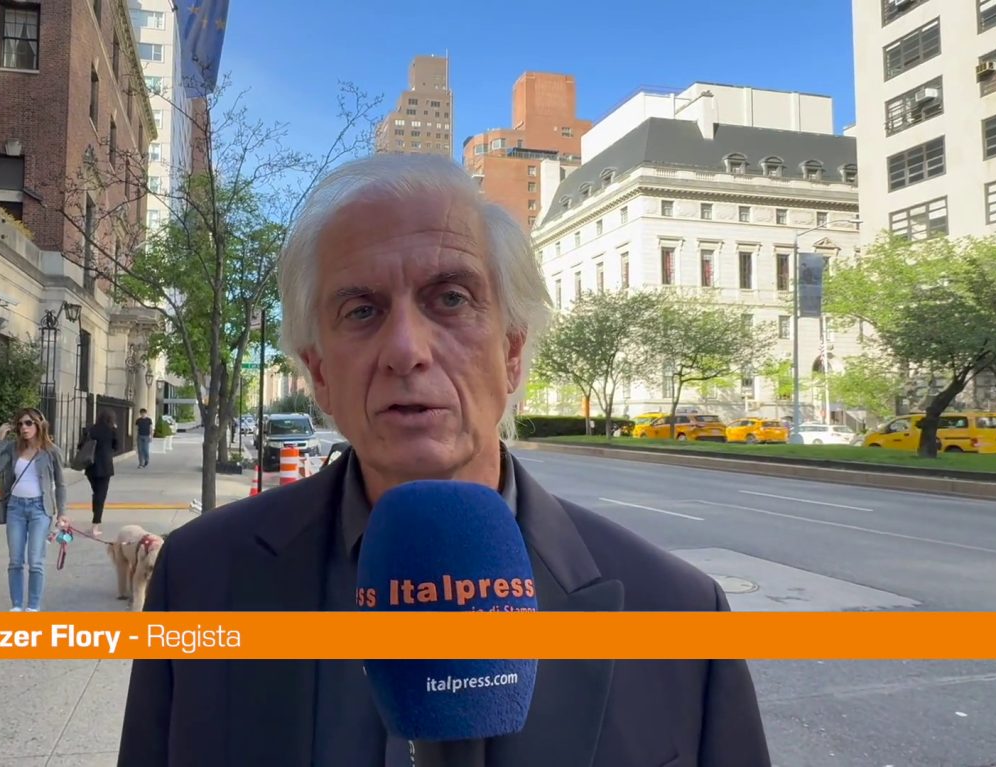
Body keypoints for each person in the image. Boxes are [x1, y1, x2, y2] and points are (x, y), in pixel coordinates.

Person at [116, 154, 770, 765]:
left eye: (450, 298)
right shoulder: (198, 581)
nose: (406, 349)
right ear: (319, 374)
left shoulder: (683, 616)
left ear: (511, 352)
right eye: (362, 310)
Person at [0, 407, 67, 612]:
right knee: (15, 560)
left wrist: (62, 513)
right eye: (20, 424)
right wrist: (0, 440)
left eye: (29, 423)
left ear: (39, 425)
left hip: (40, 509)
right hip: (15, 508)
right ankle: (16, 606)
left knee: (35, 561)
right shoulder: (13, 448)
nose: (24, 427)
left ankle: (32, 607)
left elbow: (61, 484)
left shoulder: (51, 451)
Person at [83, 408, 122, 537]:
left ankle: (94, 523)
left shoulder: (90, 429)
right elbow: (117, 447)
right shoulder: (111, 430)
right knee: (100, 496)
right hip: (105, 467)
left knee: (96, 494)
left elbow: (80, 446)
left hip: (91, 466)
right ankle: (95, 525)